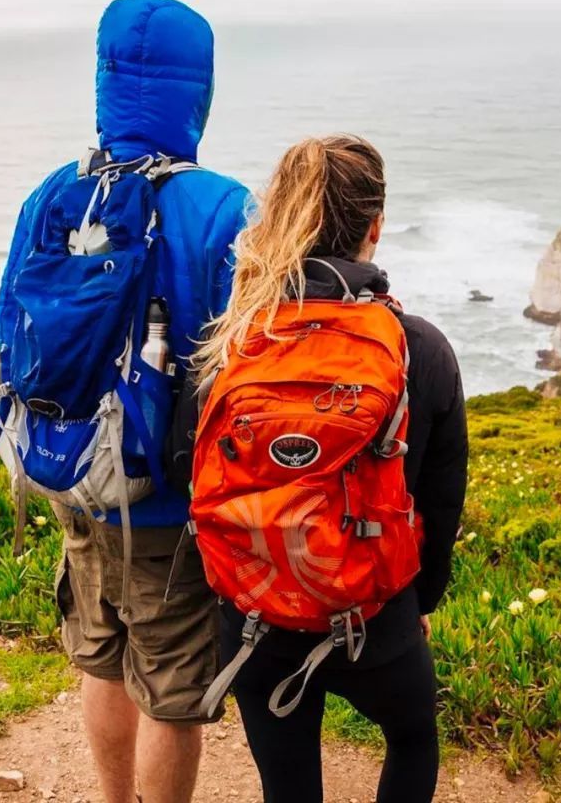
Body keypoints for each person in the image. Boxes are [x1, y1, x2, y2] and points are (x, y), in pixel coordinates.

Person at [0, 0, 249, 803]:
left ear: (105, 77)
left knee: (101, 654)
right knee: (172, 690)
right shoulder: (223, 206)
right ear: (197, 88)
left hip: (70, 468)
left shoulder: (53, 194)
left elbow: (11, 323)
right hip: (165, 499)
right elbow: (242, 365)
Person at [190, 135, 468, 803]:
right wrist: (418, 605)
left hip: (254, 616)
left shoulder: (231, 339)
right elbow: (439, 499)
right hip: (373, 615)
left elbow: (190, 472)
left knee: (288, 787)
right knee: (411, 738)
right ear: (375, 227)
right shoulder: (417, 347)